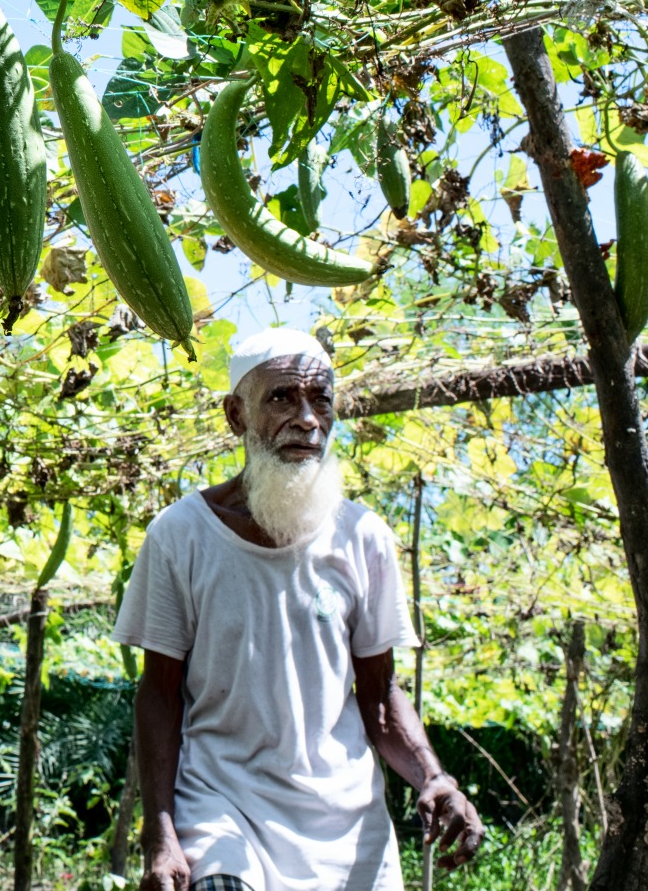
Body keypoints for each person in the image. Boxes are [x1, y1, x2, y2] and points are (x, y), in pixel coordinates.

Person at [113, 328, 485, 891]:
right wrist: (159, 836)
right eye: (283, 397)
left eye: (321, 400)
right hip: (222, 811)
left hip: (348, 830)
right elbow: (158, 696)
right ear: (236, 415)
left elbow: (380, 699)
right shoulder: (180, 535)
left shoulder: (363, 537)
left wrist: (435, 778)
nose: (307, 419)